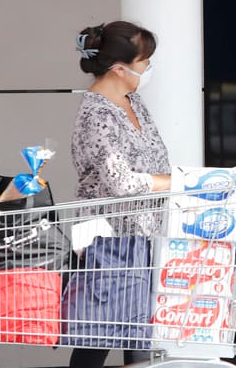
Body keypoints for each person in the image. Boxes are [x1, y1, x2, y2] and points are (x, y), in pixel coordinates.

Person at [69, 21, 172, 368]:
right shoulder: (97, 114)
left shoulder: (134, 102)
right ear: (118, 68)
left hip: (142, 236)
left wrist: (165, 180)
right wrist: (175, 182)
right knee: (98, 337)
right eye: (145, 62)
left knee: (137, 334)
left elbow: (156, 161)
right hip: (108, 240)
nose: (148, 69)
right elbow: (121, 182)